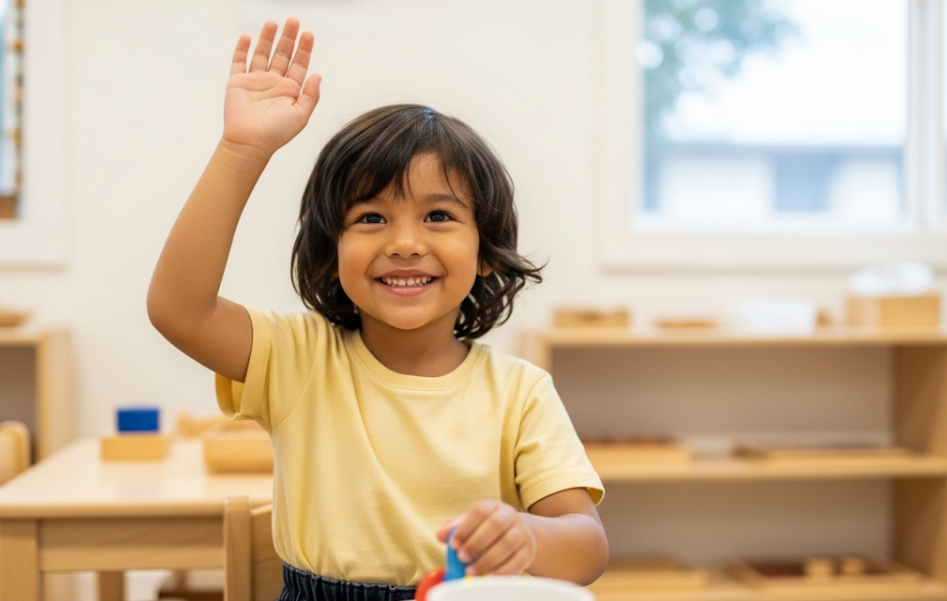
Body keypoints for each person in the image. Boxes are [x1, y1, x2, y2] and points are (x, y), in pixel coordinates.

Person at [147, 17, 608, 601]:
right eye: (371, 217)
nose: (405, 242)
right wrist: (242, 149)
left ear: (486, 252)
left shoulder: (521, 392)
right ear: (331, 249)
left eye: (439, 216)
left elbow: (588, 547)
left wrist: (530, 538)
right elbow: (177, 309)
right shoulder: (299, 359)